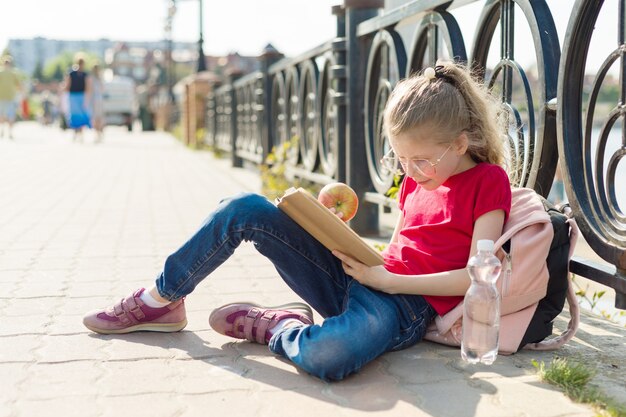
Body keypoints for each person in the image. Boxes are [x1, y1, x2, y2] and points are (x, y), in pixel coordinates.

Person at [83, 61, 512, 381]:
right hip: (363, 276)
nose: (412, 170)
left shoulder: (488, 181)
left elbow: (478, 278)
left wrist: (389, 282)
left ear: (460, 143)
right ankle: (161, 298)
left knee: (329, 357)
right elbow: (397, 249)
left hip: (403, 306)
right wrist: (335, 233)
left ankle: (280, 326)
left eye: (421, 160)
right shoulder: (416, 181)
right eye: (401, 159)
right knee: (245, 206)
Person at [64, 55, 91, 141]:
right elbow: (68, 85)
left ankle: (81, 133)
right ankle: (76, 133)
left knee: (81, 114)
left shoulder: (85, 74)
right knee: (75, 114)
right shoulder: (72, 73)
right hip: (73, 96)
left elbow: (87, 87)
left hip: (80, 95)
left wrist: (87, 98)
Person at [0, 56, 21, 139]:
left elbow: (18, 85)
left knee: (4, 115)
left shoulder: (4, 73)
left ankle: (5, 130)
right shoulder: (13, 73)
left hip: (5, 97)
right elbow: (19, 85)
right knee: (9, 115)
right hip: (7, 97)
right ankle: (8, 132)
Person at [88, 64, 105, 142]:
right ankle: (99, 132)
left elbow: (90, 90)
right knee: (99, 117)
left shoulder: (91, 78)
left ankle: (97, 133)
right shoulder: (100, 78)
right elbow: (102, 89)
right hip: (100, 99)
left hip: (94, 99)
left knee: (95, 117)